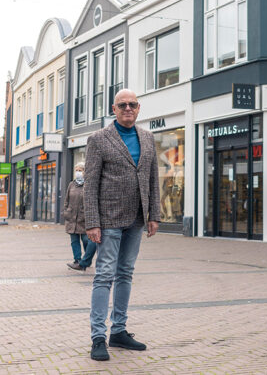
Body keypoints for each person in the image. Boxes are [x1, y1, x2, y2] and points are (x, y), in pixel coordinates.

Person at [83, 89, 160, 361]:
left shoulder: (148, 138)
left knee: (126, 273)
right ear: (113, 109)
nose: (128, 108)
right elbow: (90, 184)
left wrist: (154, 215)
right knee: (104, 275)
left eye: (133, 104)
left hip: (137, 218)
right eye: (122, 105)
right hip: (108, 220)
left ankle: (119, 330)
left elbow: (152, 180)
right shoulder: (98, 139)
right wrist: (92, 222)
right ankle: (97, 337)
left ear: (138, 109)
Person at [64, 162, 96, 270]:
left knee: (87, 240)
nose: (78, 173)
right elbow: (66, 200)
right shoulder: (71, 184)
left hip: (84, 219)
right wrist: (66, 212)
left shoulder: (88, 184)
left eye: (80, 170)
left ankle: (86, 260)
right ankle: (77, 260)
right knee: (74, 241)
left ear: (84, 172)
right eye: (76, 170)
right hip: (71, 218)